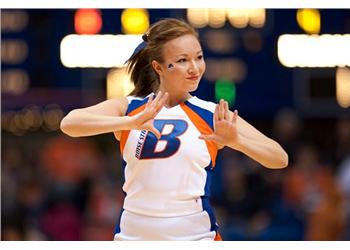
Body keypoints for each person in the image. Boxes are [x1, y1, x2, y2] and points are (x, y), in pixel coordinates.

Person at [60, 18, 288, 241]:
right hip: (134, 237)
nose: (194, 68)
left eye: (199, 57)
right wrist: (128, 123)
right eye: (182, 60)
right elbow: (69, 124)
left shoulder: (212, 113)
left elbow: (279, 158)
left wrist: (236, 140)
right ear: (158, 67)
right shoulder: (130, 107)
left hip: (195, 237)